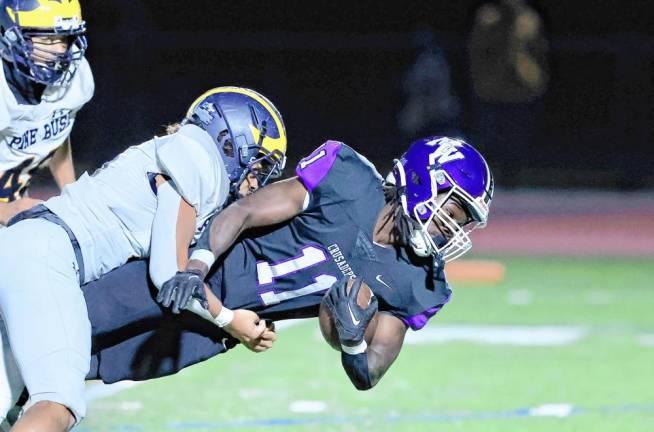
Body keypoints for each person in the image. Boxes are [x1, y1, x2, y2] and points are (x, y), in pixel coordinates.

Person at [75, 136, 494, 394]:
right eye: (453, 212)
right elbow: (244, 212)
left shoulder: (419, 283)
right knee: (66, 324)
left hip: (221, 330)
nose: (451, 230)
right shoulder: (348, 180)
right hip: (203, 279)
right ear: (423, 181)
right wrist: (195, 268)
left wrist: (351, 342)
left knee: (89, 367)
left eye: (462, 223)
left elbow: (369, 371)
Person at [0, 86, 287, 430]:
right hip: (46, 255)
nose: (255, 181)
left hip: (27, 249)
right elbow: (170, 274)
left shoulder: (176, 150)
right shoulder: (199, 159)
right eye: (257, 164)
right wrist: (229, 320)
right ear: (228, 141)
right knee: (57, 402)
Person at [0, 0, 94, 225]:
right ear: (11, 36)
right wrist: (7, 210)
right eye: (47, 39)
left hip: (11, 196)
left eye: (63, 39)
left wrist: (72, 193)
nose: (59, 51)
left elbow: (53, 129)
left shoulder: (75, 78)